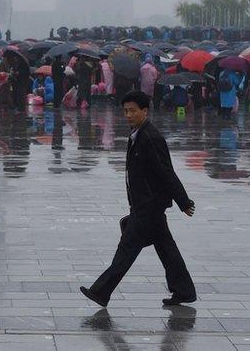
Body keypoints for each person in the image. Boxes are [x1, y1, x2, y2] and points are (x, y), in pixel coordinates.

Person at [80, 90, 197, 308]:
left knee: (126, 250)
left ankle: (101, 291)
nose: (128, 115)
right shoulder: (137, 135)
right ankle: (184, 290)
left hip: (148, 206)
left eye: (133, 111)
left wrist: (184, 201)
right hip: (146, 204)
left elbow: (166, 172)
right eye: (125, 111)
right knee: (166, 249)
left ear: (145, 111)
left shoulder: (150, 138)